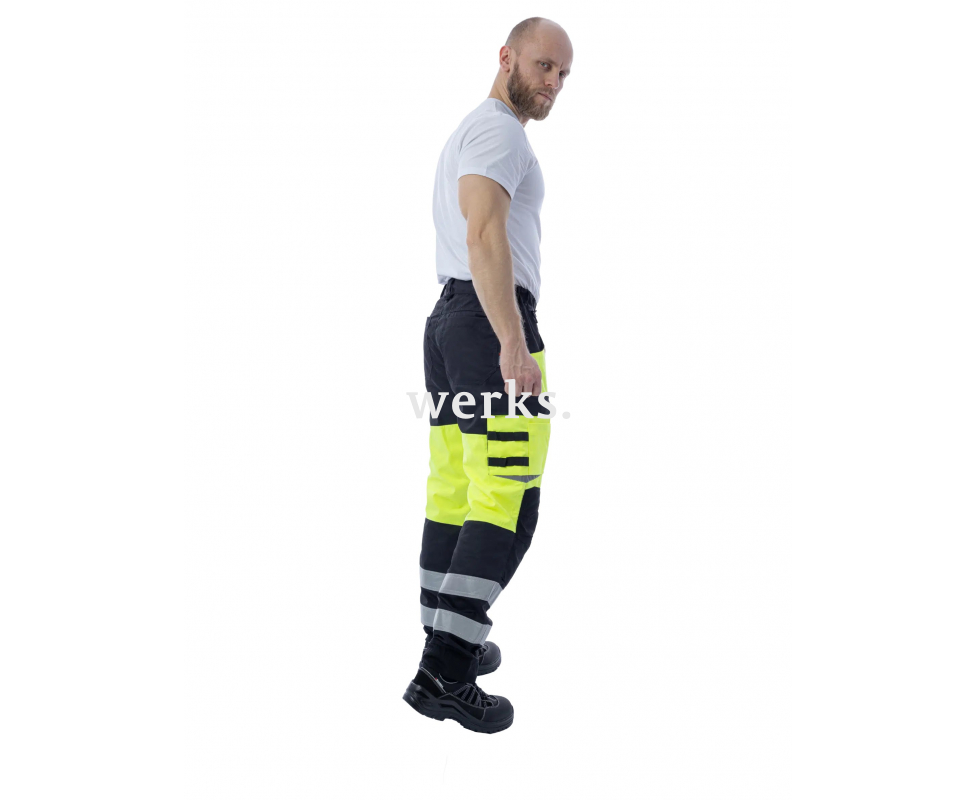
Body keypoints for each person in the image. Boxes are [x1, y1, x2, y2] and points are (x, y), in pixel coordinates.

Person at [402, 17, 574, 734]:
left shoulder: (474, 130)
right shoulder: (500, 133)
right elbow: (483, 233)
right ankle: (445, 670)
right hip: (488, 323)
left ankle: (447, 634)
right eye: (542, 65)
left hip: (450, 320)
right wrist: (512, 341)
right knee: (510, 495)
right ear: (506, 57)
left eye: (563, 74)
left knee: (456, 484)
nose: (552, 82)